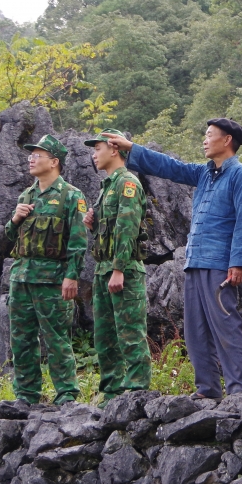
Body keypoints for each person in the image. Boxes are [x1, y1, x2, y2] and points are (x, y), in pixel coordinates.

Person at [103, 120, 242, 399]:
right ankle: (207, 389)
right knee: (195, 330)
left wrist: (239, 263)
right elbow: (170, 167)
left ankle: (238, 389)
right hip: (195, 260)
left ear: (227, 140)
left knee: (225, 325)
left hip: (220, 263)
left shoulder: (241, 175)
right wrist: (131, 148)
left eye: (209, 135)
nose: (205, 140)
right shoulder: (204, 173)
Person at [4, 134, 87, 405]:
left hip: (52, 280)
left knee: (56, 339)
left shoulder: (71, 196)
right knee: (21, 340)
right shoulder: (26, 195)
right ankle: (26, 395)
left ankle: (66, 396)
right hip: (21, 277)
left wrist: (71, 276)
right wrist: (15, 219)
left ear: (54, 162)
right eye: (30, 155)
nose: (31, 159)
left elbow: (78, 241)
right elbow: (9, 236)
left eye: (37, 155)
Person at [82, 130, 151, 401]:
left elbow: (127, 228)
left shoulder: (127, 183)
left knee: (130, 333)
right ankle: (111, 394)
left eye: (97, 148)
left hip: (123, 270)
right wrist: (93, 226)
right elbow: (109, 231)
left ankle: (136, 394)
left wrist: (119, 269)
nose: (93, 154)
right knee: (105, 337)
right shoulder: (107, 187)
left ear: (114, 150)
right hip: (102, 268)